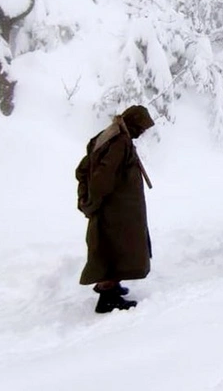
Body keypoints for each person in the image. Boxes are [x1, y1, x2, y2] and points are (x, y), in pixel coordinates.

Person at [76, 105, 155, 314]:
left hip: (117, 208)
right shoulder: (119, 142)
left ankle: (113, 285)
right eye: (142, 128)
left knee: (116, 248)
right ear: (134, 124)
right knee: (117, 248)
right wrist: (93, 201)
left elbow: (83, 168)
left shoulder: (108, 136)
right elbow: (103, 176)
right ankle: (107, 297)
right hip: (117, 209)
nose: (142, 132)